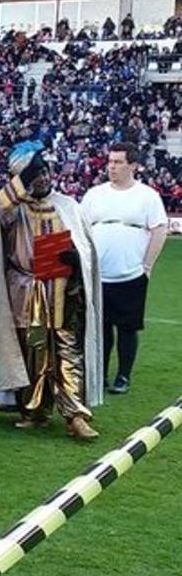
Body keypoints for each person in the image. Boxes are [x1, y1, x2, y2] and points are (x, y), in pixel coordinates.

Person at [0, 142, 102, 439]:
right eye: (35, 174)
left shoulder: (69, 205)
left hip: (63, 289)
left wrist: (76, 259)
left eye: (44, 171)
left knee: (67, 350)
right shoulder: (14, 209)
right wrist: (23, 180)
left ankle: (76, 415)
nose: (42, 178)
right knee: (33, 351)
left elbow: (86, 251)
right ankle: (34, 411)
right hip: (25, 289)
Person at [80, 141, 169, 395]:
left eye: (118, 162)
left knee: (128, 328)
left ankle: (123, 376)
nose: (112, 167)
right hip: (98, 275)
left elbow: (159, 229)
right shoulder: (94, 195)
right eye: (110, 161)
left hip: (131, 274)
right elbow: (81, 229)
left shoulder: (147, 196)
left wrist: (147, 266)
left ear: (133, 165)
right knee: (101, 328)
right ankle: (100, 374)